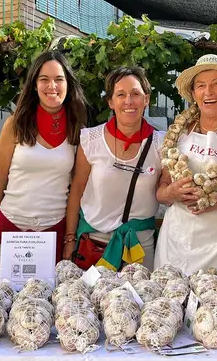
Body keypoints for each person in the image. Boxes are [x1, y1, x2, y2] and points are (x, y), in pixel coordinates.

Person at [0, 50, 87, 265]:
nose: (52, 86)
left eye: (59, 79)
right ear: (34, 84)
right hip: (11, 227)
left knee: (47, 297)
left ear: (68, 84)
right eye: (44, 79)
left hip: (54, 231)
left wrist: (69, 237)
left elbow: (76, 189)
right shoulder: (15, 125)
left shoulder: (78, 129)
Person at [154, 54, 217, 275]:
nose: (208, 92)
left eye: (216, 84)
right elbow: (161, 192)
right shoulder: (178, 134)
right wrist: (172, 191)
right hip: (178, 243)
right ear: (193, 93)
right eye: (201, 86)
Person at [63, 66, 164, 271]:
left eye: (135, 94)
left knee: (141, 301)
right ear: (111, 102)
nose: (128, 101)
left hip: (140, 247)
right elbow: (76, 191)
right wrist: (70, 239)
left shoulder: (161, 144)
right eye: (120, 94)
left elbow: (166, 188)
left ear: (146, 99)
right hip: (95, 244)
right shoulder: (91, 140)